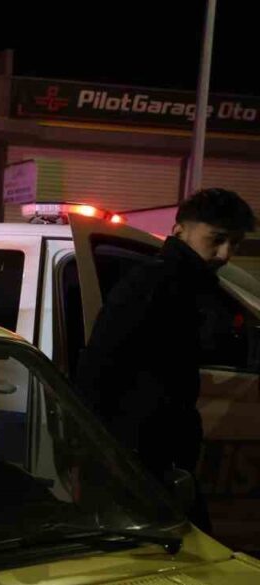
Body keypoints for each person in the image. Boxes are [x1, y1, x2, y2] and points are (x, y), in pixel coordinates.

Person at [75, 187, 256, 532]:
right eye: (217, 240)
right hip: (139, 450)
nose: (225, 254)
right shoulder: (154, 283)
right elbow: (100, 364)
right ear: (179, 231)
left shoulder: (192, 284)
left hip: (157, 448)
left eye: (234, 244)